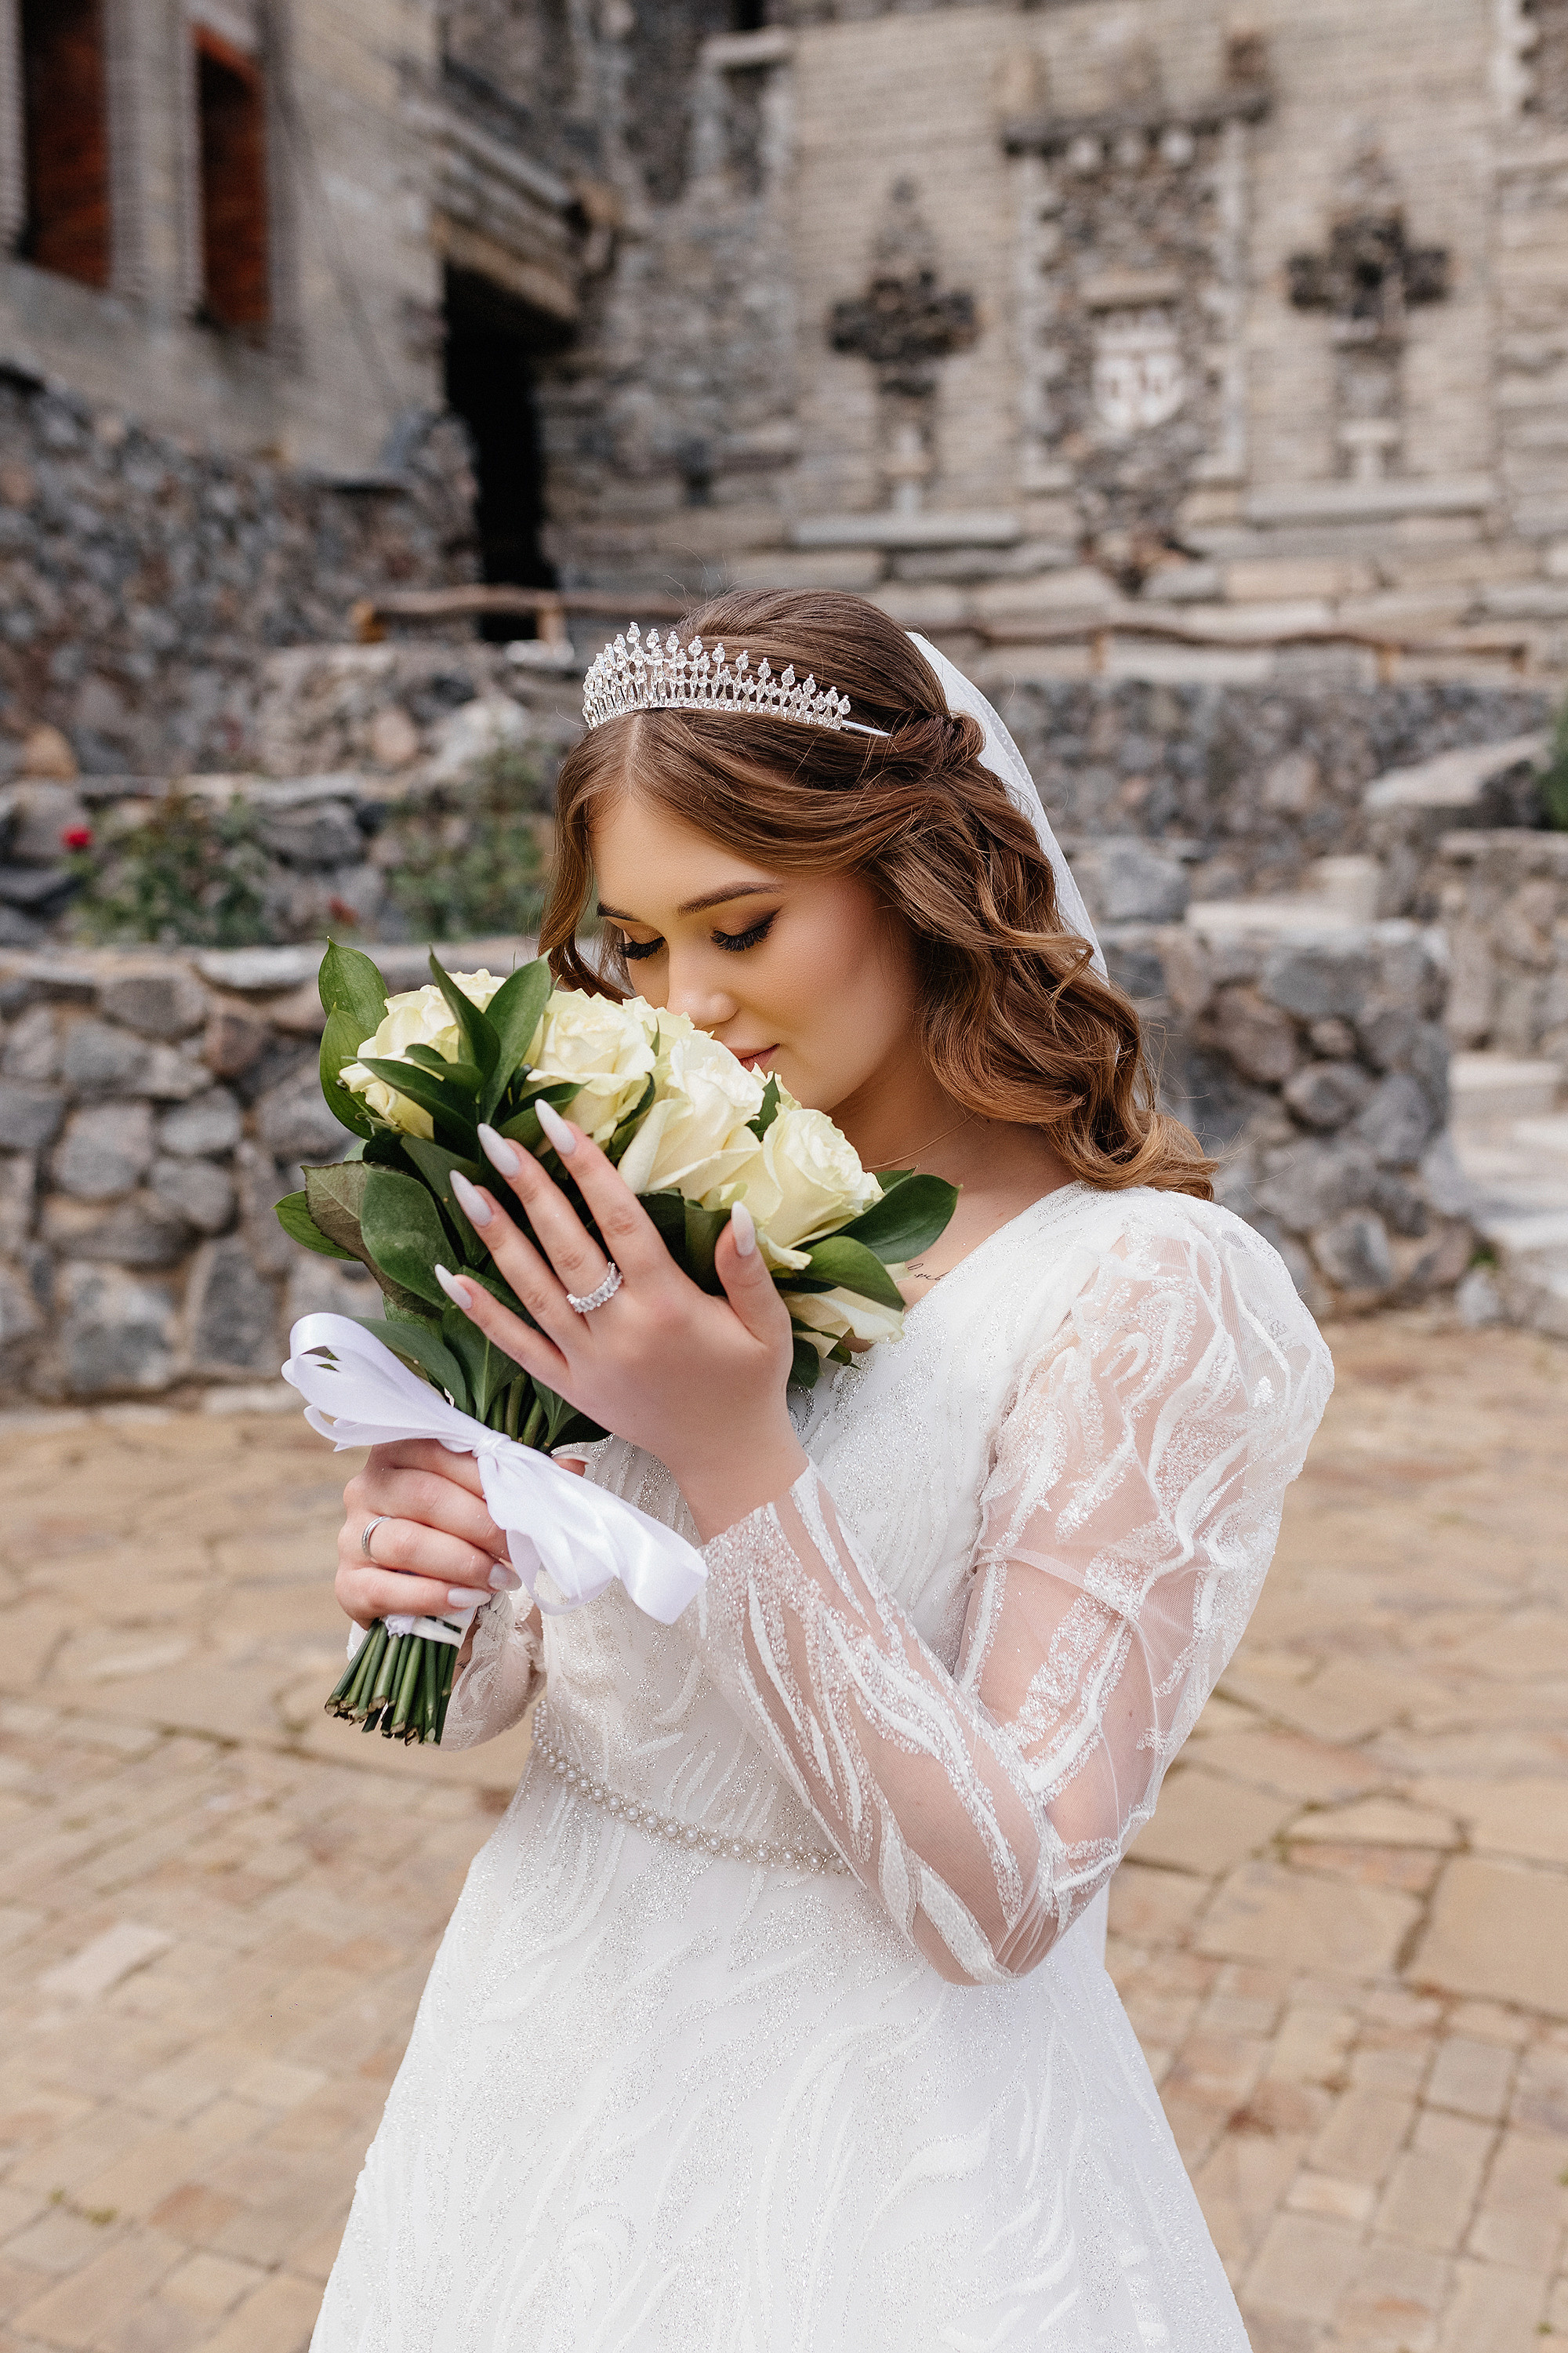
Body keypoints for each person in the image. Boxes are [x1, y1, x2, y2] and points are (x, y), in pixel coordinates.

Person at [310, 590, 1333, 2351]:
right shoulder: (658, 1206)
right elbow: (538, 1690)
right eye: (635, 944)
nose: (685, 1005)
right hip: (542, 2058)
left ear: (921, 876)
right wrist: (436, 1568)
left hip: (887, 2165)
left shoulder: (1145, 1294)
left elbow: (1005, 1895)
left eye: (742, 923)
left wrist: (734, 1453)